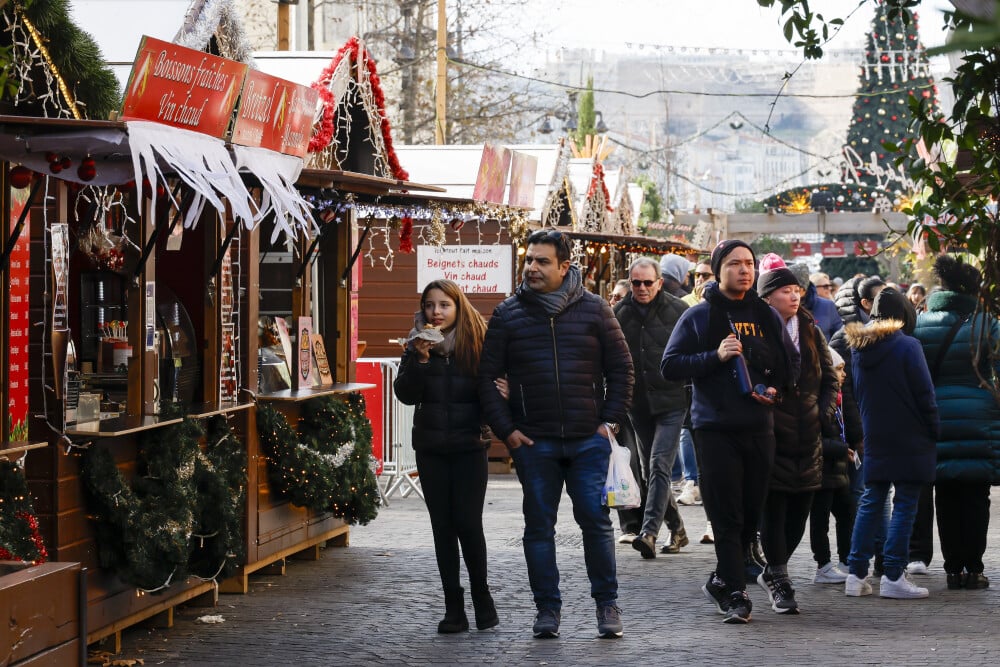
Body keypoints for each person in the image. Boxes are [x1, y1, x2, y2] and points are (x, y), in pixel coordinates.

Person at [478, 228, 633, 639]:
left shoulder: (597, 310)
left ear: (565, 266)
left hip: (588, 440)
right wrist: (507, 433)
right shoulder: (508, 314)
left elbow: (622, 370)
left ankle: (607, 605)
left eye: (542, 261)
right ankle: (547, 610)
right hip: (534, 441)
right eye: (529, 260)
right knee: (538, 527)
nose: (531, 267)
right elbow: (486, 379)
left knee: (595, 522)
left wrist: (610, 423)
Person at [662, 240, 797, 624]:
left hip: (759, 426)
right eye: (735, 264)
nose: (744, 270)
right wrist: (714, 356)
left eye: (749, 264)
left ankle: (723, 579)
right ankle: (735, 592)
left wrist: (776, 391)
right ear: (718, 269)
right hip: (714, 428)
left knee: (752, 510)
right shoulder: (700, 316)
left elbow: (788, 366)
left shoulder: (766, 315)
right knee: (726, 513)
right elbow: (669, 365)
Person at [392, 279, 498, 634]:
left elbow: (492, 391)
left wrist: (504, 400)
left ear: (458, 307)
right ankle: (454, 606)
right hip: (432, 447)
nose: (435, 312)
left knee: (468, 523)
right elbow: (405, 395)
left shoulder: (478, 341)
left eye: (443, 305)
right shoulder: (417, 342)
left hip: (469, 446)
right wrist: (419, 358)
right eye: (429, 305)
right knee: (442, 527)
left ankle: (482, 598)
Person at [844, 287, 938, 600]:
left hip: (876, 433)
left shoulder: (859, 348)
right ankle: (894, 575)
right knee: (906, 503)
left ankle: (855, 574)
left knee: (872, 499)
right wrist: (934, 430)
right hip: (910, 434)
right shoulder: (908, 346)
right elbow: (925, 394)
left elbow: (857, 394)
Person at [755, 258, 837, 614]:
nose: (794, 297)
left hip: (809, 436)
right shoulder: (757, 330)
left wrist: (822, 412)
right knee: (773, 510)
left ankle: (774, 569)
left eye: (797, 291)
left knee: (800, 511)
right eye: (786, 291)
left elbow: (831, 378)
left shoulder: (810, 327)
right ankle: (779, 578)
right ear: (768, 297)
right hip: (772, 434)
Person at [913, 255, 999, 590]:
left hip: (935, 417)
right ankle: (973, 569)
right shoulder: (986, 323)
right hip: (979, 418)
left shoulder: (920, 323)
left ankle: (952, 570)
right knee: (976, 495)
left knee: (945, 493)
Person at [613, 257, 689, 559]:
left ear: (659, 282)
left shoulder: (680, 310)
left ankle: (649, 532)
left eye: (647, 282)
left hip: (672, 400)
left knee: (659, 465)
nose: (642, 288)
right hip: (638, 404)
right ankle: (678, 529)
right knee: (647, 471)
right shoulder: (620, 313)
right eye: (636, 283)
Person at [808, 347, 858, 585]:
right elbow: (812, 438)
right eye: (839, 369)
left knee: (847, 512)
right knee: (821, 518)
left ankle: (845, 560)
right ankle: (823, 565)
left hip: (837, 471)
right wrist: (841, 449)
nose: (844, 374)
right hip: (823, 471)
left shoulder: (836, 400)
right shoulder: (819, 402)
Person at [790, 264, 840, 342]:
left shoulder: (828, 306)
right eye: (786, 290)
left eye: (796, 290)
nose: (829, 289)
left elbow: (840, 338)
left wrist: (827, 353)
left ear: (803, 289)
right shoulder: (782, 306)